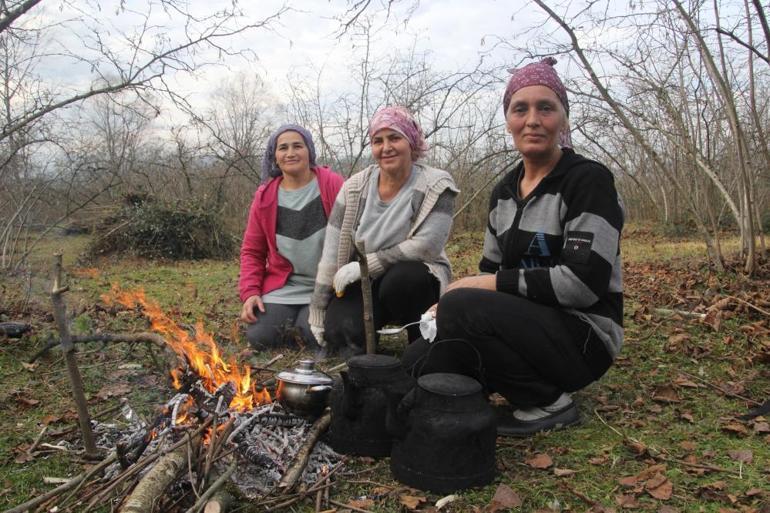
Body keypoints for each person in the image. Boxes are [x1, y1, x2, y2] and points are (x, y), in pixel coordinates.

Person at [402, 58, 624, 437]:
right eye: (520, 109)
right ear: (508, 120)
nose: (533, 120)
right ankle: (469, 391)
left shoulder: (588, 181)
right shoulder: (503, 192)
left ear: (563, 119)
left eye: (546, 108)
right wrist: (456, 304)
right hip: (523, 327)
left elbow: (582, 285)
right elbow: (490, 274)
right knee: (416, 363)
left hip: (585, 338)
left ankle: (547, 402)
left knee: (463, 303)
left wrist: (474, 290)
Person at [309, 106, 459, 356]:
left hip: (414, 277)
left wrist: (367, 264)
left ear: (411, 142)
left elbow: (426, 246)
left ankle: (422, 343)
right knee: (341, 335)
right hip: (364, 280)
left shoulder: (436, 185)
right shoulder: (354, 188)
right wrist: (318, 309)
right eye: (378, 141)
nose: (386, 147)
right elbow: (332, 253)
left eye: (395, 138)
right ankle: (368, 343)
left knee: (403, 281)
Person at [239, 124, 344, 350]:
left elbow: (352, 236)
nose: (290, 153)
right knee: (260, 337)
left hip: (327, 286)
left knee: (312, 335)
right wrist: (250, 292)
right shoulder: (265, 196)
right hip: (284, 286)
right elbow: (252, 251)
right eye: (283, 148)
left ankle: (308, 324)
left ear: (309, 151)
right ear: (274, 157)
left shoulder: (332, 185)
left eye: (298, 146)